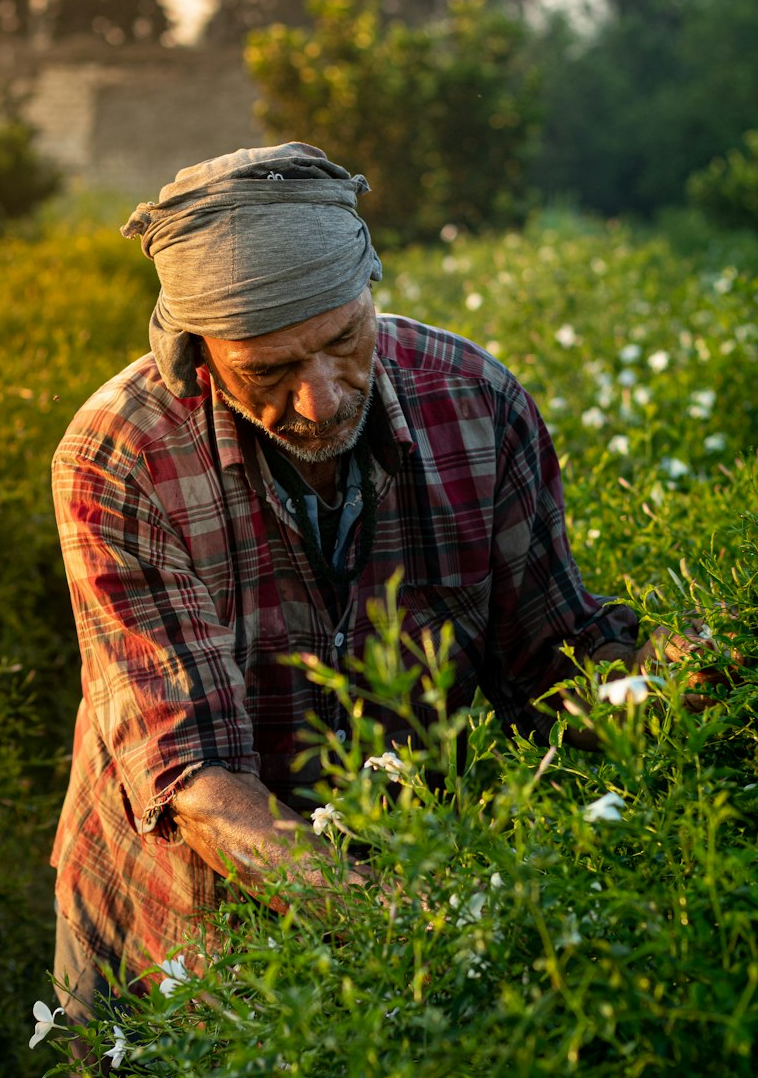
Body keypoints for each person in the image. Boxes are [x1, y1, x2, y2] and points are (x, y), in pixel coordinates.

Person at [49, 142, 690, 1030]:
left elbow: (556, 652)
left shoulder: (476, 402)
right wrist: (396, 921)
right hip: (179, 914)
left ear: (372, 295)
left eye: (345, 343)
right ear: (198, 359)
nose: (321, 400)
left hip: (407, 865)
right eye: (267, 371)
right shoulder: (123, 461)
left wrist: (667, 679)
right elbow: (196, 778)